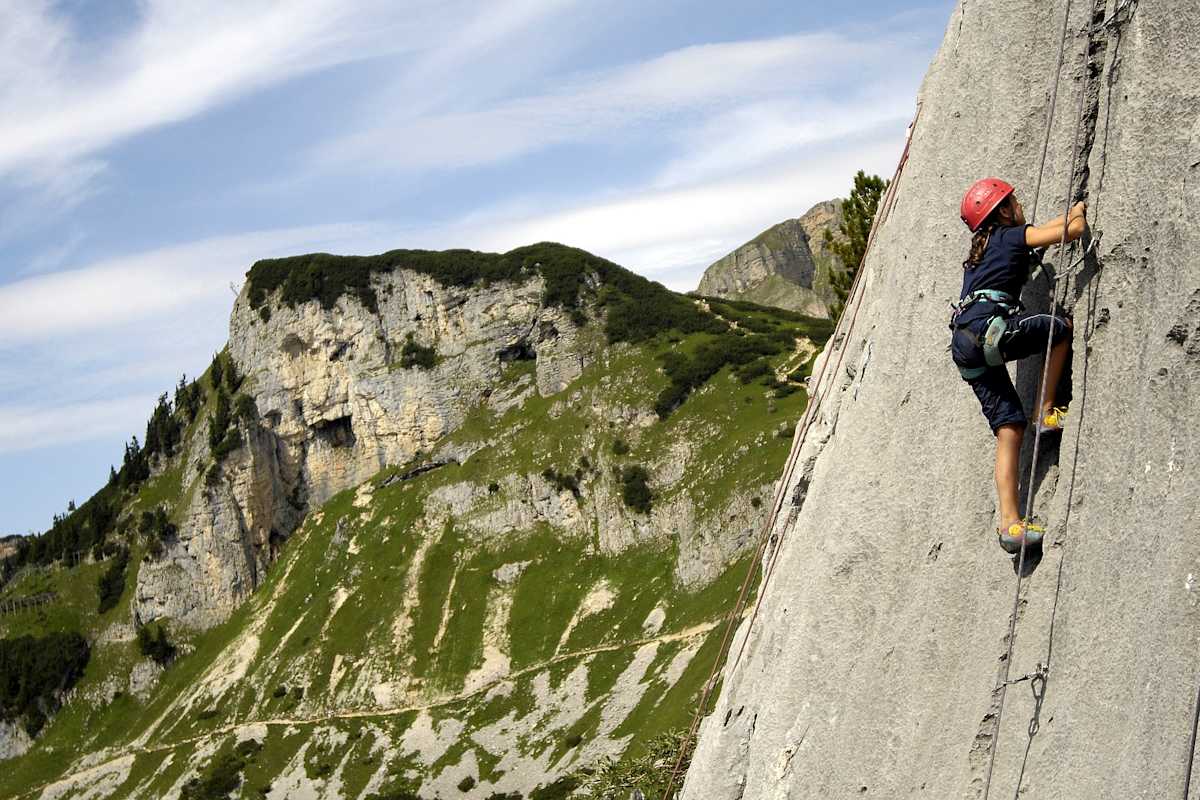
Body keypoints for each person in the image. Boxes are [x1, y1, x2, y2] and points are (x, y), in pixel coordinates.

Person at [949, 178, 1087, 554]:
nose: (1019, 204)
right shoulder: (1010, 235)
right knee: (1059, 331)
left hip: (964, 344)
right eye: (1014, 201)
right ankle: (1046, 410)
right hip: (990, 332)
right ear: (1004, 212)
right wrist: (1078, 211)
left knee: (1009, 426)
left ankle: (1010, 524)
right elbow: (1071, 231)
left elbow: (1037, 240)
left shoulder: (978, 254)